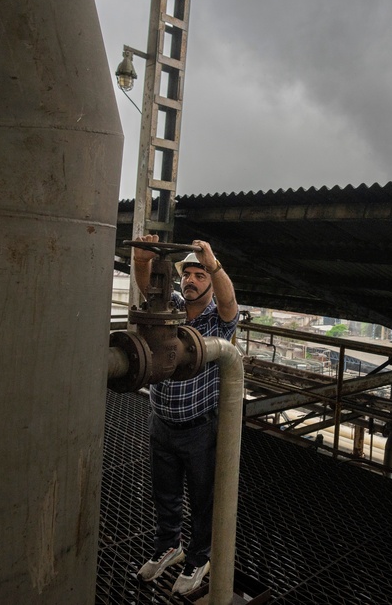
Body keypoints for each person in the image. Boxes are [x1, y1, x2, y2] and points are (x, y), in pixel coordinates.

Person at [131, 236, 238, 596]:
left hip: (198, 430)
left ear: (209, 280)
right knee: (165, 494)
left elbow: (229, 303)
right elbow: (148, 287)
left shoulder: (217, 322)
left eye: (199, 275)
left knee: (203, 498)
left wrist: (215, 264)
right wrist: (143, 261)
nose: (191, 280)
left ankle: (199, 558)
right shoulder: (171, 307)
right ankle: (169, 547)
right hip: (161, 423)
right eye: (188, 274)